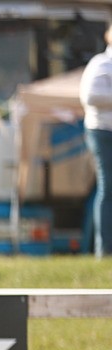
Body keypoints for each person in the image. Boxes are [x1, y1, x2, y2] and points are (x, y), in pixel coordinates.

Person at [81, 25, 112, 258]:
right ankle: (104, 250)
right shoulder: (101, 63)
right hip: (102, 132)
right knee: (107, 187)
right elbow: (89, 96)